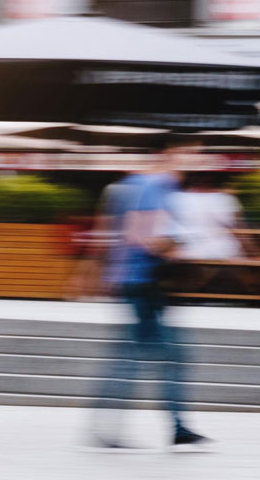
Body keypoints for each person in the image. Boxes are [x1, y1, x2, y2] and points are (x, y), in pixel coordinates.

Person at [87, 146, 212, 451]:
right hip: (143, 282)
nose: (197, 159)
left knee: (153, 356)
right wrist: (176, 249)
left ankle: (174, 426)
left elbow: (113, 230)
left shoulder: (131, 184)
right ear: (172, 153)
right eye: (192, 153)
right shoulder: (155, 184)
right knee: (154, 357)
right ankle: (118, 427)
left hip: (133, 281)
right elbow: (138, 234)